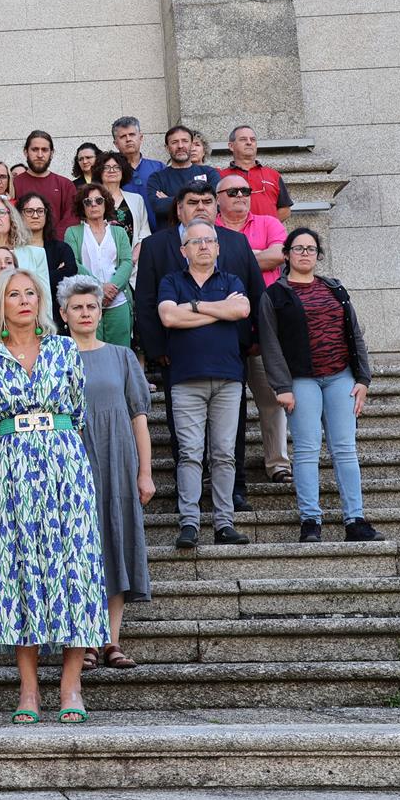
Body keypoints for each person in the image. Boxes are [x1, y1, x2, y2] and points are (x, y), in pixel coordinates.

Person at [0, 269, 109, 724]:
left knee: (74, 568)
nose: (25, 300)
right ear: (0, 304)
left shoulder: (64, 349)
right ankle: (28, 691)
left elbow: (77, 410)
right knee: (21, 573)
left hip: (65, 467)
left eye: (32, 293)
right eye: (15, 294)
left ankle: (71, 686)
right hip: (12, 472)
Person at [135, 180, 266, 512]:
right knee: (185, 438)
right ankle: (187, 496)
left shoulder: (235, 243)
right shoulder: (156, 246)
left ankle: (234, 490)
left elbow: (253, 295)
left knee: (231, 433)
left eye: (207, 201)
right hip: (175, 354)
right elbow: (148, 302)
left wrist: (253, 340)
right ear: (179, 208)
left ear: (216, 205)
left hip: (230, 354)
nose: (201, 207)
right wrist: (155, 349)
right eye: (192, 202)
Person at [258, 229, 384, 544]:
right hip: (300, 380)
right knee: (307, 449)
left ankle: (355, 520)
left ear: (318, 255)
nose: (305, 253)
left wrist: (363, 379)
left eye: (311, 249)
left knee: (345, 449)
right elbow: (270, 344)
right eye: (298, 248)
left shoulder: (335, 289)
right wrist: (281, 386)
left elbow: (354, 333)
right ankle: (310, 521)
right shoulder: (274, 294)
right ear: (286, 255)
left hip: (340, 376)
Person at [60, 276, 153, 670]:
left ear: (101, 312)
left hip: (118, 457)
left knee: (118, 541)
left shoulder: (121, 356)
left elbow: (139, 417)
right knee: (82, 549)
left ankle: (112, 641)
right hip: (73, 461)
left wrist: (145, 471)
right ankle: (85, 642)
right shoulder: (55, 356)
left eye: (91, 306)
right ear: (64, 315)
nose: (85, 313)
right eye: (77, 307)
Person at [158, 222, 253, 548]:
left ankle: (224, 523)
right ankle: (190, 524)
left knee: (225, 454)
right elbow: (169, 318)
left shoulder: (231, 281)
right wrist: (219, 311)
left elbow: (241, 309)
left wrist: (195, 308)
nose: (203, 246)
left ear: (218, 247)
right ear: (184, 250)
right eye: (195, 242)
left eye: (209, 240)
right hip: (185, 381)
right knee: (190, 454)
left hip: (228, 379)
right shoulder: (172, 280)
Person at [217, 172, 293, 491]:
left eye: (245, 191)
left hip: (267, 324)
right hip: (223, 324)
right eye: (232, 191)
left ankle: (278, 462)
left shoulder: (269, 223)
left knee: (271, 397)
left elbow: (280, 254)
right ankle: (225, 467)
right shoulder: (211, 230)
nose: (240, 196)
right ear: (218, 197)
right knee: (224, 404)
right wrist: (256, 259)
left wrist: (238, 258)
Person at [64, 184, 134, 347]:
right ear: (82, 206)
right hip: (86, 303)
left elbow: (127, 261)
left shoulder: (119, 232)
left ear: (106, 203)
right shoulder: (72, 232)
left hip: (118, 301)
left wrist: (112, 288)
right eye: (88, 202)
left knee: (120, 353)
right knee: (89, 352)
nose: (93, 204)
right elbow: (73, 263)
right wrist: (99, 287)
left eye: (98, 200)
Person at [16, 192, 79, 329]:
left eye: (40, 211)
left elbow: (69, 275)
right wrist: (55, 273)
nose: (35, 215)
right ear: (19, 215)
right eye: (29, 211)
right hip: (23, 320)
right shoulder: (14, 251)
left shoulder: (61, 248)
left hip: (58, 320)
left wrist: (32, 278)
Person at [149, 125, 221, 227]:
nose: (180, 146)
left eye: (185, 141)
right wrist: (201, 200)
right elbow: (158, 207)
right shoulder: (157, 178)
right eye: (174, 142)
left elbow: (216, 204)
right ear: (167, 148)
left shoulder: (210, 173)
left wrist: (171, 200)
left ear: (191, 145)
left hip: (204, 235)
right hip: (169, 238)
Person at [15, 130, 78, 238]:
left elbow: (72, 218)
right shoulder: (14, 183)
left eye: (44, 150)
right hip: (22, 247)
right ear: (26, 152)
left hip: (56, 247)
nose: (40, 155)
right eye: (35, 149)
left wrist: (51, 242)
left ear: (52, 153)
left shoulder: (65, 185)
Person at [93, 150, 149, 267]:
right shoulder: (91, 200)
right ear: (99, 172)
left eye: (116, 167)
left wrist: (132, 259)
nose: (112, 171)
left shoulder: (136, 199)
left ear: (123, 171)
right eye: (106, 167)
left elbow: (144, 232)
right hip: (99, 263)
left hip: (132, 264)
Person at [225, 125, 292, 221]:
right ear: (231, 146)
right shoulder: (221, 176)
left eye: (252, 139)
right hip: (235, 234)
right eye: (243, 139)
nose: (249, 142)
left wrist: (268, 227)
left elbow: (285, 209)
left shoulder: (273, 175)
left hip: (268, 235)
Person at [112, 116, 165, 225]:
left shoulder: (158, 167)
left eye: (132, 134)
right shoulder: (111, 172)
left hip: (160, 229)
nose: (128, 139)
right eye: (122, 136)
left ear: (140, 137)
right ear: (116, 144)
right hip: (126, 233)